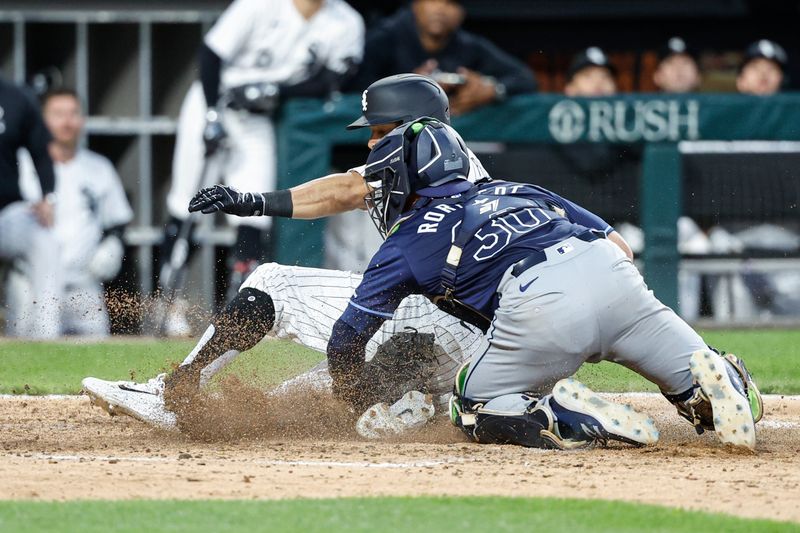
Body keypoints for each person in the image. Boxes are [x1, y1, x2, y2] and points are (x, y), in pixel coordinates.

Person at [82, 73, 489, 436]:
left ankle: (174, 394)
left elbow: (343, 190)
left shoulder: (426, 161)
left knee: (271, 281)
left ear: (414, 126)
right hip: (465, 350)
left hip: (435, 321)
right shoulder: (450, 163)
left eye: (381, 131)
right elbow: (346, 191)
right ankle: (414, 402)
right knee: (292, 402)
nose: (370, 142)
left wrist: (254, 202)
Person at [324, 118, 763, 450]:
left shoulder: (405, 240)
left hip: (539, 301)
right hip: (612, 274)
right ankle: (714, 383)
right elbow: (621, 246)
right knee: (696, 371)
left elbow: (345, 338)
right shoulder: (516, 189)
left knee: (472, 404)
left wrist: (353, 398)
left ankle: (563, 413)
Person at [159, 0, 364, 335]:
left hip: (260, 115)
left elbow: (331, 79)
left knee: (257, 204)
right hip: (216, 101)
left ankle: (239, 307)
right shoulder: (259, 4)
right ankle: (168, 301)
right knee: (187, 202)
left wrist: (274, 90)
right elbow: (211, 54)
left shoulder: (346, 20)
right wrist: (211, 115)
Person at [9, 89, 133, 337]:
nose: (67, 122)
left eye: (73, 113)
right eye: (57, 114)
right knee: (28, 361)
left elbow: (118, 223)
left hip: (83, 284)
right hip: (30, 284)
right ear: (42, 120)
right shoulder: (18, 165)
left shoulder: (99, 167)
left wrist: (112, 247)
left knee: (97, 356)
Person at [349, 0, 536, 116]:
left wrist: (492, 90)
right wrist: (405, 88)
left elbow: (525, 78)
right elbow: (351, 88)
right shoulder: (384, 36)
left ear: (462, 13)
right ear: (415, 4)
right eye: (433, 0)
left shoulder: (467, 45)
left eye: (450, 2)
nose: (440, 8)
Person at [0, 75, 62, 339]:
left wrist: (49, 196)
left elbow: (40, 150)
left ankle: (46, 337)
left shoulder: (15, 97)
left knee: (42, 240)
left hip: (6, 213)